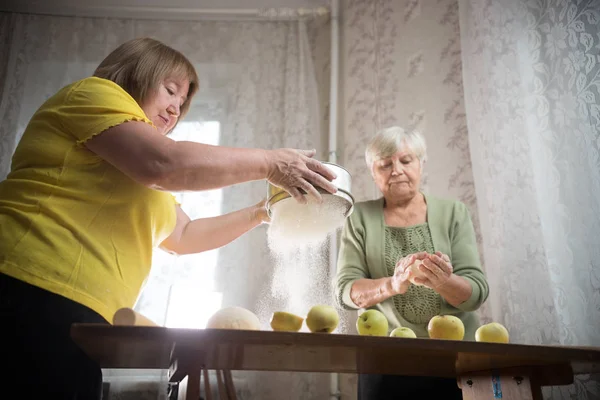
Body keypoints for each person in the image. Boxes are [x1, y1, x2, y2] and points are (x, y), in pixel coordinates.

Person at [0, 37, 337, 399]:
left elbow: (184, 234)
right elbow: (164, 163)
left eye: (182, 102)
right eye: (170, 90)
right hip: (25, 283)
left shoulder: (140, 172)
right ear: (137, 73)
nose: (176, 108)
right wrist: (270, 163)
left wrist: (262, 212)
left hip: (84, 313)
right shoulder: (93, 94)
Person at [335, 126, 489, 400]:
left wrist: (444, 282)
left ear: (421, 164)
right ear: (373, 172)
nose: (396, 170)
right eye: (385, 165)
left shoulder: (454, 212)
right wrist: (392, 285)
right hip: (384, 360)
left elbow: (476, 293)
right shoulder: (358, 217)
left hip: (455, 359)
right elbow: (346, 291)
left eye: (406, 161)